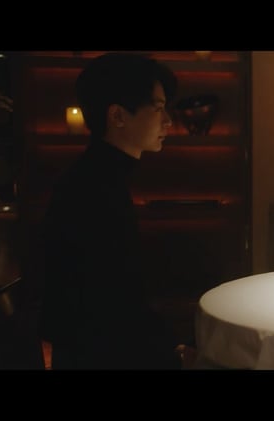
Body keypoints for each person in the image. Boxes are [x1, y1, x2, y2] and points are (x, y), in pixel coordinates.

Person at [39, 52, 197, 369]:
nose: (168, 120)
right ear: (118, 116)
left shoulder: (95, 176)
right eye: (158, 108)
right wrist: (176, 352)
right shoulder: (94, 189)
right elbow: (110, 305)